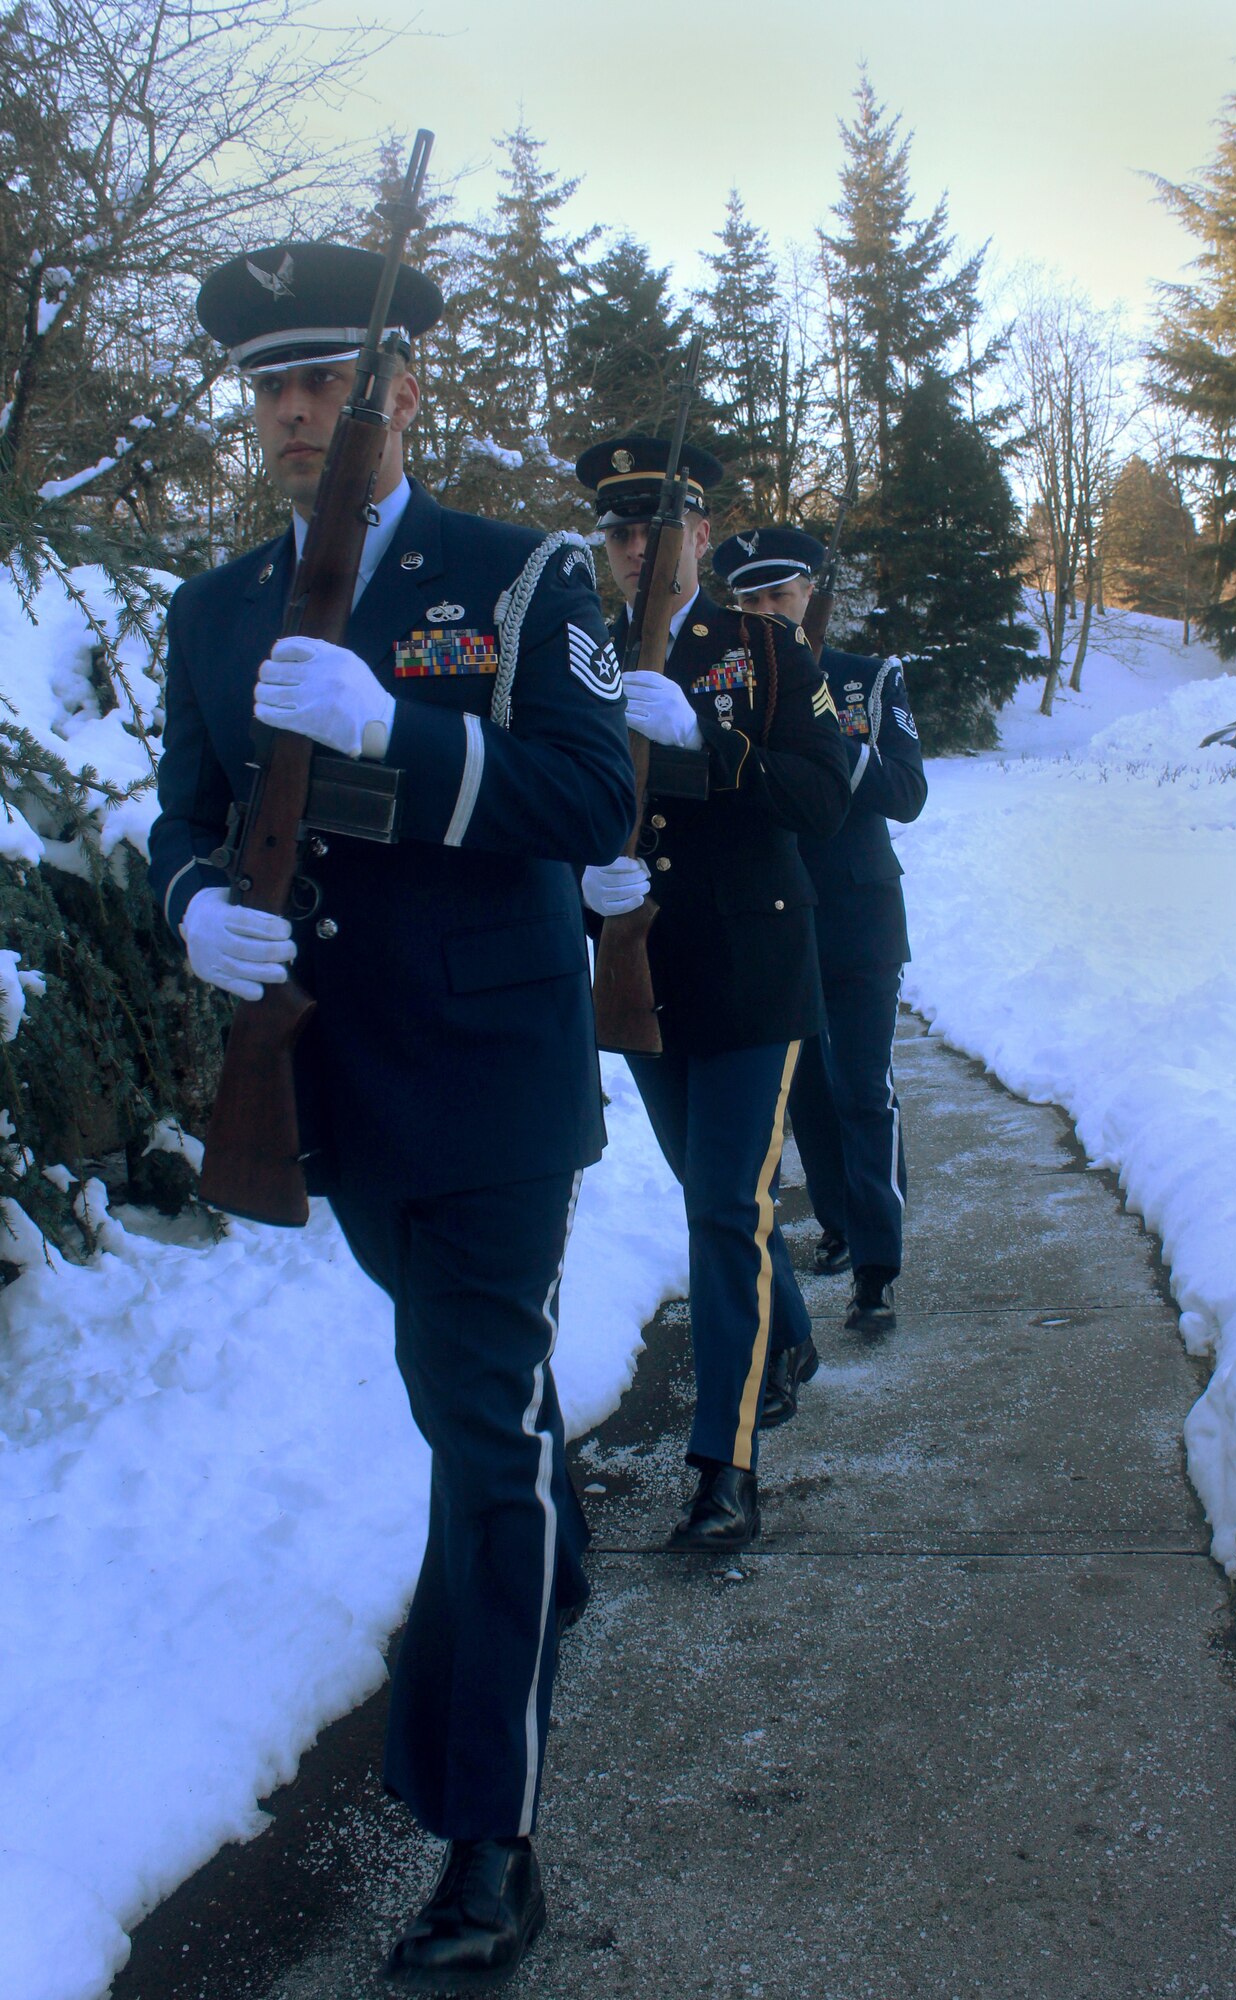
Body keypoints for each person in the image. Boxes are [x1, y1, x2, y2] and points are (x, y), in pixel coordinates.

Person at [148, 241, 636, 1992]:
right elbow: (183, 813)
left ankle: (481, 1840)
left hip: (496, 1092)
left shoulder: (512, 579)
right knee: (473, 1403)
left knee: (475, 1434)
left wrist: (404, 735)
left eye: (332, 385)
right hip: (326, 1097)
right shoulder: (215, 611)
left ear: (406, 393)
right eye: (275, 389)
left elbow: (591, 794)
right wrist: (197, 900)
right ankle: (544, 1546)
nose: (301, 415)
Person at [574, 437, 851, 1548]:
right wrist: (587, 876)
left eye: (655, 524)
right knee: (714, 1189)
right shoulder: (579, 655)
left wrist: (709, 739)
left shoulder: (765, 649)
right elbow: (557, 797)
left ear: (698, 532)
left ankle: (720, 1464)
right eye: (617, 529)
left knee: (722, 1208)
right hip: (642, 973)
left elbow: (823, 797)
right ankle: (784, 1334)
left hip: (750, 969)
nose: (635, 547)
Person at [713, 525, 927, 1340]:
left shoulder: (868, 680)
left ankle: (877, 1266)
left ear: (809, 594)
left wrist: (824, 740)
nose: (768, 611)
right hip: (772, 916)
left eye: (781, 595)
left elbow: (906, 792)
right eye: (752, 599)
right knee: (804, 1094)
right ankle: (840, 1223)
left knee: (862, 1087)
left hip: (860, 913)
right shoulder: (726, 686)